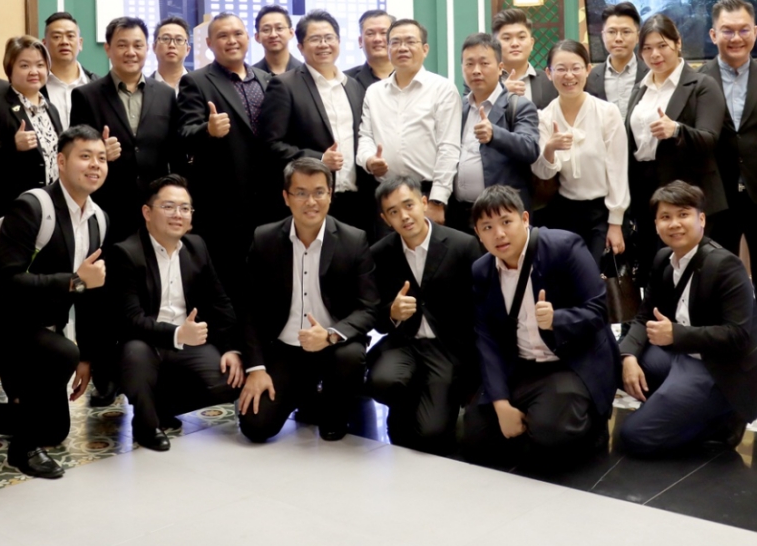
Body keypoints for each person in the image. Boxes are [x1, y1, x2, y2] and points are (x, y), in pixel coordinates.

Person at [0, 125, 111, 478]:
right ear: (61, 162)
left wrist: (88, 356)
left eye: (101, 158)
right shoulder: (33, 206)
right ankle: (22, 450)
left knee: (54, 430)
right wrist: (74, 281)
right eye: (85, 156)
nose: (95, 165)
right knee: (61, 353)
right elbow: (8, 280)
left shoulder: (99, 219)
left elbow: (90, 293)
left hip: (43, 328)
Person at [617, 181, 757, 455]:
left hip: (718, 367)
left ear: (701, 219)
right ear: (656, 224)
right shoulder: (663, 258)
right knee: (615, 361)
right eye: (665, 217)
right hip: (680, 357)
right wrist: (628, 358)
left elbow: (738, 335)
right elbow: (644, 316)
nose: (674, 224)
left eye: (683, 214)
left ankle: (723, 417)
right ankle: (681, 406)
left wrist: (676, 334)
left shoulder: (725, 265)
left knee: (634, 437)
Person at [462, 185, 618, 467]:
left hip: (569, 361)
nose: (499, 234)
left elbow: (599, 310)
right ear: (478, 233)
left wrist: (557, 319)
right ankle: (541, 427)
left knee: (550, 431)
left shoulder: (563, 247)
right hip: (523, 366)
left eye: (506, 222)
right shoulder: (482, 270)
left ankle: (584, 423)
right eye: (487, 227)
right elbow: (486, 338)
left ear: (524, 219)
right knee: (475, 435)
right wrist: (500, 403)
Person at [237, 158, 378, 443]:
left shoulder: (354, 240)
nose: (311, 202)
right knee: (255, 427)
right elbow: (249, 308)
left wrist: (330, 334)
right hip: (284, 348)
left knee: (350, 357)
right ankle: (305, 393)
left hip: (333, 347)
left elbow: (368, 307)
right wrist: (256, 369)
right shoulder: (265, 239)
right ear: (286, 197)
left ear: (330, 194)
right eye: (301, 193)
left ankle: (333, 409)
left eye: (318, 192)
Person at [108, 176, 241, 451]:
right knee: (135, 355)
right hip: (144, 342)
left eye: (185, 208)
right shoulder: (127, 253)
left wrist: (231, 348)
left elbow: (220, 303)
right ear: (147, 212)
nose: (177, 214)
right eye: (168, 207)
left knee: (229, 380)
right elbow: (130, 320)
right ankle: (146, 425)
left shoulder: (196, 247)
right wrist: (178, 334)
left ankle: (162, 406)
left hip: (186, 344)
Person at [698, 0, 757, 362]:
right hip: (715, 196)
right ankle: (720, 356)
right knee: (715, 279)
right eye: (727, 31)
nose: (735, 38)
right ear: (713, 34)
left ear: (755, 32)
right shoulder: (697, 79)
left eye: (743, 30)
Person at [366, 176, 479, 455]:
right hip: (404, 342)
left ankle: (436, 398)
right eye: (393, 211)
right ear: (385, 219)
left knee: (432, 434)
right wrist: (391, 312)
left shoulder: (463, 245)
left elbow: (479, 308)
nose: (404, 216)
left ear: (424, 203)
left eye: (409, 205)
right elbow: (373, 315)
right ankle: (409, 403)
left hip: (446, 347)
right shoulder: (379, 253)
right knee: (382, 383)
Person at [175, 13, 274, 304]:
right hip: (222, 207)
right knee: (228, 285)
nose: (232, 40)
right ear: (209, 43)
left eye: (237, 34)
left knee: (265, 284)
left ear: (248, 38)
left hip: (267, 204)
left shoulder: (268, 80)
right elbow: (182, 135)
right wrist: (208, 130)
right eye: (223, 36)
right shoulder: (195, 81)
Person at [625, 13, 727, 284]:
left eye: (662, 46)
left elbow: (710, 139)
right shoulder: (641, 88)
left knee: (687, 275)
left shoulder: (702, 85)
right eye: (647, 48)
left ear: (678, 43)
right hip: (645, 191)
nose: (655, 54)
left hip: (685, 192)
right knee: (652, 270)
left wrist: (677, 130)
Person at [259, 10, 370, 230]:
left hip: (355, 199)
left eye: (329, 38)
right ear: (300, 47)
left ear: (338, 42)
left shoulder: (353, 86)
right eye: (315, 39)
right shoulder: (284, 86)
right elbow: (270, 145)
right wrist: (319, 159)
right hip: (310, 201)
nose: (323, 44)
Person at [72, 17, 179, 243]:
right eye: (122, 45)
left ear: (147, 48)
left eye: (137, 45)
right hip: (106, 207)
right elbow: (75, 153)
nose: (130, 52)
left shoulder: (166, 95)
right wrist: (100, 153)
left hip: (154, 208)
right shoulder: (86, 96)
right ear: (108, 49)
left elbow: (174, 154)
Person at [532, 40, 629, 267]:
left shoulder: (607, 112)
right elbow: (544, 173)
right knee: (566, 277)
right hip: (563, 211)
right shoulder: (544, 117)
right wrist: (550, 148)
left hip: (602, 212)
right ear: (549, 73)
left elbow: (617, 170)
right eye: (561, 69)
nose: (569, 76)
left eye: (576, 68)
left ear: (587, 70)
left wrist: (616, 222)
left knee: (594, 275)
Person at [357, 18, 461, 227]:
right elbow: (365, 136)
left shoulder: (443, 89)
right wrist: (369, 160)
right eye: (395, 42)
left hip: (426, 193)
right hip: (386, 193)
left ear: (425, 49)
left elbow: (449, 148)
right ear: (388, 49)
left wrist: (438, 200)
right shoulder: (374, 92)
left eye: (410, 42)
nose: (402, 48)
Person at [451, 33, 540, 232]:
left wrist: (495, 135)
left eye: (484, 63)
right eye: (469, 64)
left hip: (502, 216)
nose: (476, 70)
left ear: (500, 68)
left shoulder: (519, 106)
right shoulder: (458, 107)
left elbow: (531, 148)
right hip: (459, 215)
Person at [0, 35, 62, 221]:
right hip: (17, 211)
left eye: (40, 65)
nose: (34, 71)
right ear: (10, 69)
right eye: (24, 66)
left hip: (53, 208)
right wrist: (12, 146)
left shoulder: (51, 109)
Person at [585, 2, 647, 118]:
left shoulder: (651, 73)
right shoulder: (591, 77)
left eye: (626, 32)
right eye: (611, 32)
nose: (618, 38)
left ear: (638, 37)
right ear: (603, 36)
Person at [494, 7, 557, 109]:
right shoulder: (483, 80)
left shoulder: (550, 81)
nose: (515, 44)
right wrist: (501, 93)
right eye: (507, 38)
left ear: (531, 43)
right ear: (495, 45)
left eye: (521, 37)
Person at [43, 11, 94, 128]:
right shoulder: (34, 86)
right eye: (56, 37)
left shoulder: (96, 84)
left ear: (80, 43)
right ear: (44, 44)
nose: (64, 42)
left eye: (70, 36)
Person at [344, 9, 394, 90]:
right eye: (370, 33)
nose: (377, 39)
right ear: (360, 41)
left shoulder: (410, 77)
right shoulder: (345, 81)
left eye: (383, 33)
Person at [253, 4, 302, 77]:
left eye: (279, 28)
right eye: (266, 30)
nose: (273, 35)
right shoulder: (252, 76)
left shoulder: (305, 74)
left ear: (291, 33)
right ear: (257, 37)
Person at [149, 16, 191, 89]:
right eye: (166, 39)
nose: (172, 45)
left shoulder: (201, 85)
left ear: (187, 50)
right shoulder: (142, 89)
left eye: (179, 39)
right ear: (154, 47)